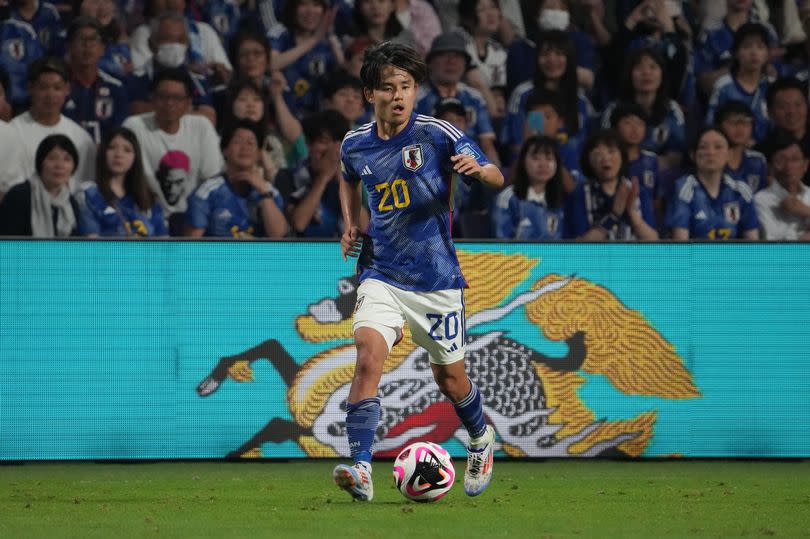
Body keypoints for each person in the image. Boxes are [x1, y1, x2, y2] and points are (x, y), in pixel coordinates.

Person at [334, 41, 503, 502]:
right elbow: (346, 175)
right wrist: (350, 223)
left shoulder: (437, 134)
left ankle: (480, 438)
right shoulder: (356, 143)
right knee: (368, 355)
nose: (398, 95)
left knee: (450, 379)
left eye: (406, 86)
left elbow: (496, 177)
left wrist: (478, 168)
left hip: (436, 281)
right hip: (381, 271)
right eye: (387, 87)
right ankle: (362, 468)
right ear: (371, 93)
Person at [123, 67, 224, 235]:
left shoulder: (201, 127)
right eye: (163, 96)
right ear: (152, 98)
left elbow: (212, 181)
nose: (170, 103)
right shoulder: (133, 127)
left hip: (192, 222)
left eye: (177, 98)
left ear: (188, 102)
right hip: (145, 219)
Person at [0, 57, 97, 197]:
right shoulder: (11, 132)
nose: (50, 95)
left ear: (67, 89)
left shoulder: (81, 138)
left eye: (57, 88)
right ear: (30, 88)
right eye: (43, 87)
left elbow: (87, 188)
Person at [185, 120, 288, 238]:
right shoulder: (206, 193)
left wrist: (264, 193)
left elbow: (278, 236)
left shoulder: (270, 192)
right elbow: (191, 246)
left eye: (250, 143)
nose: (245, 147)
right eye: (237, 141)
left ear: (259, 153)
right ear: (225, 150)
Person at [415, 31, 501, 166]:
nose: (451, 61)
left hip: (472, 169)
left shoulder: (475, 98)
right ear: (430, 63)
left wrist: (494, 177)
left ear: (466, 65)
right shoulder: (415, 99)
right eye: (444, 55)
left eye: (457, 56)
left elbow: (487, 144)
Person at [600, 47, 686, 173]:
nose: (646, 73)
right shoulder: (614, 109)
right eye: (639, 68)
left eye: (653, 67)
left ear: (662, 74)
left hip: (659, 173)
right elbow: (605, 150)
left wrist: (647, 166)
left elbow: (677, 156)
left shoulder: (672, 109)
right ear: (630, 74)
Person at [667, 126, 760, 240]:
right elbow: (680, 244)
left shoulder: (740, 190)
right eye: (703, 147)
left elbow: (753, 241)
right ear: (693, 155)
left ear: (729, 155)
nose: (711, 152)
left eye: (718, 147)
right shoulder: (684, 189)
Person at [565, 129, 659, 240]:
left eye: (611, 151)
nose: (605, 158)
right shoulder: (580, 194)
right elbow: (579, 245)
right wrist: (613, 215)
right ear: (588, 160)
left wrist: (632, 213)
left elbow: (654, 240)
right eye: (598, 154)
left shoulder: (638, 192)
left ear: (622, 157)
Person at [76, 126, 167, 237]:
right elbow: (91, 243)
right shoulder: (88, 194)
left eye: (127, 150)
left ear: (135, 157)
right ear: (103, 152)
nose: (119, 154)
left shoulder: (150, 199)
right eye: (112, 147)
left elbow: (164, 244)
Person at [279, 110, 351, 237]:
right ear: (308, 143)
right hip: (304, 253)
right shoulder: (286, 176)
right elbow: (299, 224)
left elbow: (363, 226)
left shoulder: (352, 177)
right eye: (323, 141)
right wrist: (323, 178)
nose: (331, 150)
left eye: (337, 143)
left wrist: (342, 181)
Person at [63, 16, 131, 144]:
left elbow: (120, 135)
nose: (87, 46)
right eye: (81, 39)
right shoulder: (58, 86)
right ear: (69, 46)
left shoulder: (116, 88)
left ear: (103, 49)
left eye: (93, 40)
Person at [705, 22, 773, 144]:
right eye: (747, 46)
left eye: (760, 47)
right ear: (736, 53)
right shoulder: (724, 86)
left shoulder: (772, 86)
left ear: (767, 54)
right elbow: (711, 126)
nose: (754, 52)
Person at [0, 134, 80, 237]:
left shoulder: (71, 203)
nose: (59, 165)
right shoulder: (19, 195)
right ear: (40, 162)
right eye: (52, 158)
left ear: (74, 167)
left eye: (67, 159)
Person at [492, 135, 566, 239]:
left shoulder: (558, 199)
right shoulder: (508, 198)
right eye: (536, 158)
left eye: (549, 158)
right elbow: (501, 241)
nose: (543, 164)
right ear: (523, 162)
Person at [755, 130, 810, 240]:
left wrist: (806, 211)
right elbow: (771, 245)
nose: (789, 166)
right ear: (770, 167)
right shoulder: (760, 200)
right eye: (781, 160)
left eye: (795, 159)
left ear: (805, 165)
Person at [716, 100, 768, 192]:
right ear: (719, 125)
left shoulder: (758, 160)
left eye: (745, 122)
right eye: (733, 122)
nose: (740, 127)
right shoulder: (712, 159)